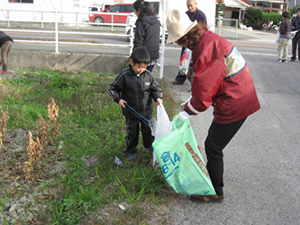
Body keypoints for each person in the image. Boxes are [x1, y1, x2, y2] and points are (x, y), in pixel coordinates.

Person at [166, 9, 260, 202]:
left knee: (213, 145)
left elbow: (204, 93)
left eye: (180, 42)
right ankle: (211, 180)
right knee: (214, 144)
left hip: (235, 100)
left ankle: (216, 191)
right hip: (240, 93)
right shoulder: (209, 39)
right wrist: (192, 101)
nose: (181, 46)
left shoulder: (205, 49)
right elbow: (208, 82)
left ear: (187, 37)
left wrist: (187, 111)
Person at [109, 46, 163, 158]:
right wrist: (118, 99)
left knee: (148, 130)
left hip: (146, 111)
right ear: (131, 62)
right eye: (139, 67)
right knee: (132, 132)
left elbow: (155, 89)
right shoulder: (124, 76)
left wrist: (157, 97)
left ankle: (149, 145)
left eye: (144, 67)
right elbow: (113, 89)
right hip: (131, 112)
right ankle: (131, 150)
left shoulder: (148, 76)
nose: (141, 70)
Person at [174, 0, 207, 84]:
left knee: (196, 61)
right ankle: (181, 78)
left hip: (196, 41)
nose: (190, 7)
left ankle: (196, 79)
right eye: (188, 6)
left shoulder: (201, 15)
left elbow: (204, 29)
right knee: (184, 59)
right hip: (187, 41)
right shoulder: (185, 14)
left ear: (196, 4)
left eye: (191, 5)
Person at [133, 0, 160, 72]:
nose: (135, 13)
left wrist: (134, 57)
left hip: (143, 56)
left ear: (138, 10)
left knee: (139, 78)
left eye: (135, 11)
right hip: (154, 55)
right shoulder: (156, 21)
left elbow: (138, 41)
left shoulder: (141, 22)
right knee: (147, 77)